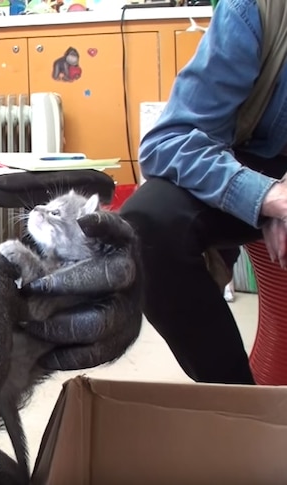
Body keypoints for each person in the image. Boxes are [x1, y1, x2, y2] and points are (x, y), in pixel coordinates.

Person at [120, 0, 287, 385]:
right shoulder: (254, 10)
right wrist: (268, 199)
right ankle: (238, 409)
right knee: (150, 226)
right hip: (252, 159)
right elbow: (169, 141)